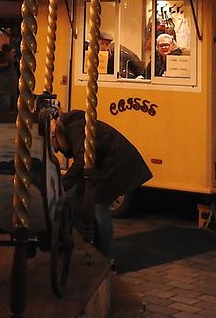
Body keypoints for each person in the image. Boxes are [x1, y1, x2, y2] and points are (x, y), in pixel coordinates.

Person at [51, 109, 152, 258]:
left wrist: (63, 184)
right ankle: (86, 241)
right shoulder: (72, 126)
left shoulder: (74, 129)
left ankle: (105, 255)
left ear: (55, 137)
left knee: (99, 206)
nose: (59, 151)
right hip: (109, 163)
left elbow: (81, 161)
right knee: (77, 196)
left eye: (57, 147)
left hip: (117, 164)